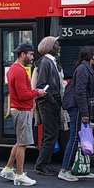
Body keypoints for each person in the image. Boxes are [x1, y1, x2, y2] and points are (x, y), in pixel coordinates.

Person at [0, 42, 47, 186]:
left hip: (19, 109)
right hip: (22, 110)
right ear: (23, 54)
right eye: (31, 54)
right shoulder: (20, 71)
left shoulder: (14, 69)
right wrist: (38, 92)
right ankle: (19, 175)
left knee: (20, 141)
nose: (33, 57)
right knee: (23, 144)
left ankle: (8, 169)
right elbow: (23, 94)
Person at [59, 45, 94, 182]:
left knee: (82, 138)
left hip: (80, 107)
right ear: (89, 55)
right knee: (75, 138)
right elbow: (80, 92)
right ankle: (64, 170)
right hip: (77, 107)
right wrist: (84, 112)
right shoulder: (83, 69)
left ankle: (81, 169)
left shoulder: (86, 68)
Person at [33, 36, 63, 176]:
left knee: (50, 134)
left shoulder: (51, 62)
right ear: (51, 47)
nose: (59, 46)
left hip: (51, 103)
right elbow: (41, 86)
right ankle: (42, 164)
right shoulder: (46, 62)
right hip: (48, 104)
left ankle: (43, 163)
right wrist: (52, 100)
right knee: (50, 134)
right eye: (56, 44)